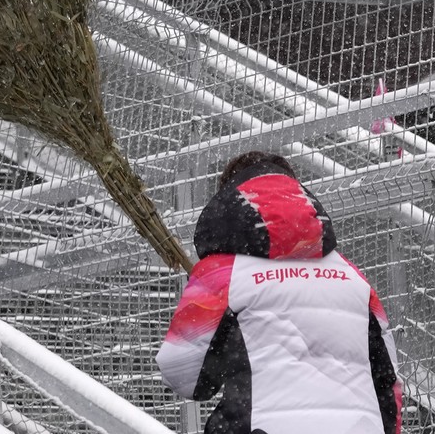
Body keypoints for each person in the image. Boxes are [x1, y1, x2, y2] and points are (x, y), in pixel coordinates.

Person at [156, 151, 402, 434]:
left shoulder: (219, 273)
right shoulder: (352, 276)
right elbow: (388, 379)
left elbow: (183, 374)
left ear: (230, 199)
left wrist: (229, 351)